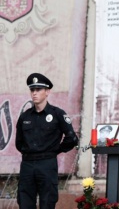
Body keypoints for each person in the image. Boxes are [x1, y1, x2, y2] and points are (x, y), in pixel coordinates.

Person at [15, 73, 79, 209]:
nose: (34, 93)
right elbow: (19, 143)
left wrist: (56, 150)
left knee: (47, 203)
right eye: (32, 90)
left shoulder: (57, 114)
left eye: (38, 90)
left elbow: (72, 138)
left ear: (47, 91)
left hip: (47, 164)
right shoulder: (24, 116)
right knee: (25, 203)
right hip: (27, 164)